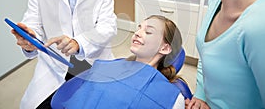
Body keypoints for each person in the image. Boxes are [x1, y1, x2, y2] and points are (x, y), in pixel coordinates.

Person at [50, 15, 188, 109]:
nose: (137, 33)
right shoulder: (107, 66)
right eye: (139, 28)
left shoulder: (173, 98)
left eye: (148, 32)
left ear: (165, 48)